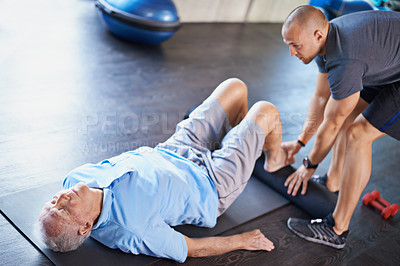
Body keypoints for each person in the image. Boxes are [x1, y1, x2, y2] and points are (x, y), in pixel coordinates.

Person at [38, 78, 290, 262]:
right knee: (266, 111)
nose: (61, 197)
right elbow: (189, 248)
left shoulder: (74, 178)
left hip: (175, 148)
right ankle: (274, 159)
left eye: (52, 202)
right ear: (85, 227)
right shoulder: (132, 230)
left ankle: (239, 137)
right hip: (211, 183)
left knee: (235, 87)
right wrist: (243, 240)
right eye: (63, 209)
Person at [280, 5, 400, 249]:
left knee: (358, 135)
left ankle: (337, 228)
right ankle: (333, 183)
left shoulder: (344, 59)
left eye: (296, 46)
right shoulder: (326, 41)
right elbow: (322, 98)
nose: (291, 53)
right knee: (348, 115)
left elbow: (332, 122)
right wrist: (301, 141)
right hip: (391, 61)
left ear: (317, 36)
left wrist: (309, 165)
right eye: (288, 45)